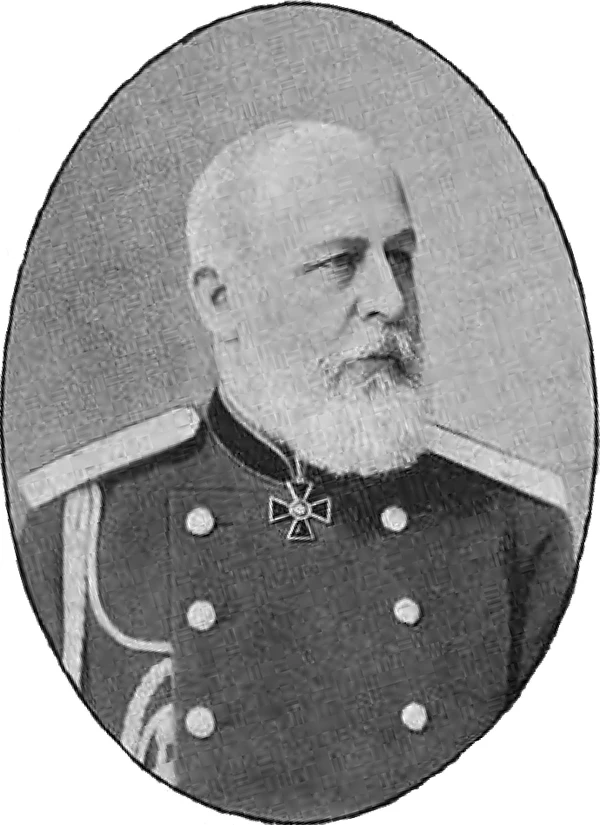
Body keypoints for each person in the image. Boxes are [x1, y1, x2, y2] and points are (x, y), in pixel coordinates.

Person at [16, 120, 574, 822]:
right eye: (340, 263)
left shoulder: (514, 529)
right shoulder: (83, 530)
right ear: (220, 301)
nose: (391, 300)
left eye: (400, 257)